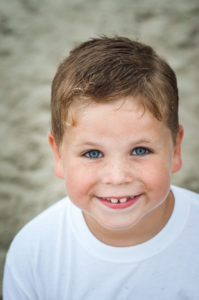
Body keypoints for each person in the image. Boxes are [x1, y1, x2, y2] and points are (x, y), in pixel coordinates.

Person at [3, 36, 199, 299]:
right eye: (92, 153)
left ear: (175, 149)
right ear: (58, 154)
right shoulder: (35, 250)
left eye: (140, 150)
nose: (117, 177)